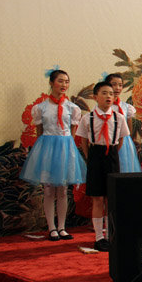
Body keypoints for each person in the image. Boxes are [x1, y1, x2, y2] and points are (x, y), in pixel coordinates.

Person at [20, 67, 86, 241]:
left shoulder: (72, 108)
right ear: (51, 83)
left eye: (66, 81)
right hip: (48, 148)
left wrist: (70, 153)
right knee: (49, 190)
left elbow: (72, 133)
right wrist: (41, 154)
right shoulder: (41, 108)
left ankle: (62, 227)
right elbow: (39, 132)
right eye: (60, 81)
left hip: (65, 148)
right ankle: (51, 228)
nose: (64, 84)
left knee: (63, 190)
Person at [76, 81, 130, 251]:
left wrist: (112, 153)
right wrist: (89, 156)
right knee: (97, 198)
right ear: (95, 97)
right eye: (105, 93)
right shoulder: (88, 118)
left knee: (111, 197)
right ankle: (99, 237)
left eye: (111, 94)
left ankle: (111, 235)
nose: (109, 96)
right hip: (95, 156)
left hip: (112, 156)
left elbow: (121, 139)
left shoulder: (118, 117)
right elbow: (84, 140)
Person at [105, 73, 141, 173]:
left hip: (124, 142)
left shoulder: (126, 107)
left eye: (120, 85)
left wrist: (128, 139)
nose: (117, 88)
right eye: (114, 84)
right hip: (109, 140)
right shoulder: (104, 106)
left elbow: (129, 127)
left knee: (124, 167)